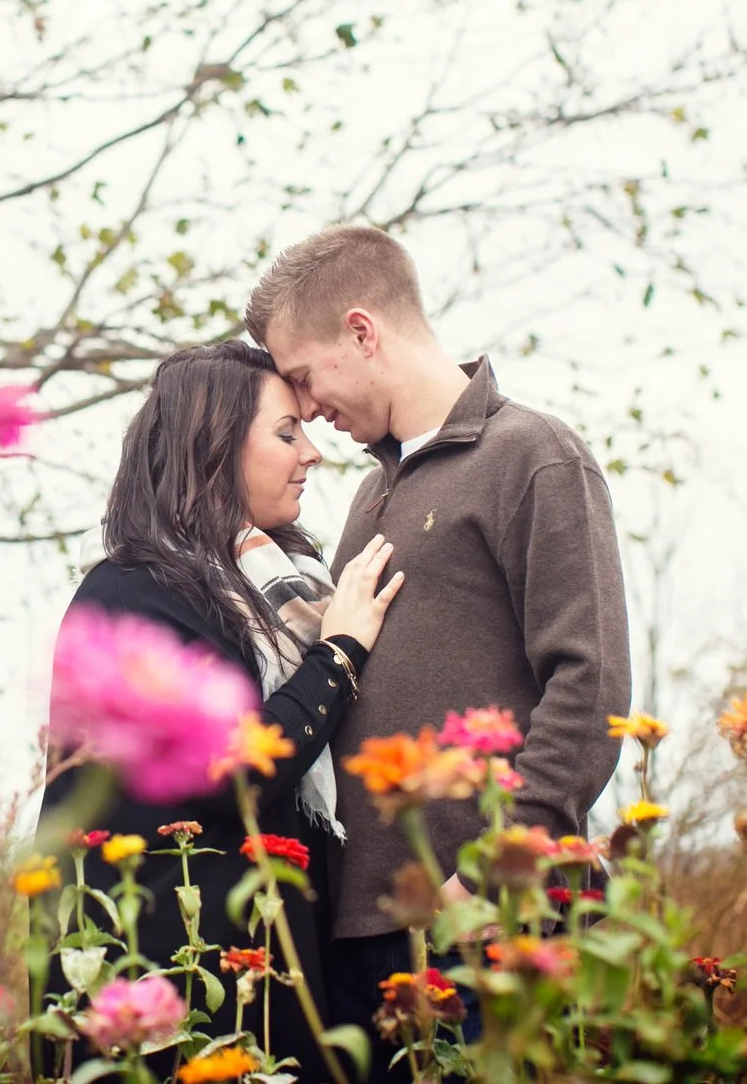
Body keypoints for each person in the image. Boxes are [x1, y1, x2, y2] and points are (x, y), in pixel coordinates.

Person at [245, 226, 632, 1082]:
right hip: (369, 942)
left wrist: (491, 877)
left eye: (304, 377)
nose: (306, 409)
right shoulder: (366, 495)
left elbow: (592, 686)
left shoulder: (532, 456)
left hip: (495, 923)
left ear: (362, 330)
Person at [38, 341, 405, 1083]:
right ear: (213, 448)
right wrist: (335, 658)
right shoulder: (130, 597)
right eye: (285, 433)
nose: (312, 453)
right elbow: (229, 766)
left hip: (263, 975)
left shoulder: (269, 592)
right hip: (162, 989)